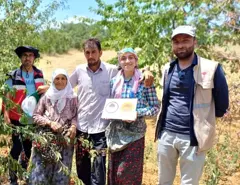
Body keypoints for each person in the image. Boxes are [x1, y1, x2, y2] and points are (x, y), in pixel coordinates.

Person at [69, 38, 154, 185]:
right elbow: (65, 87)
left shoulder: (112, 71)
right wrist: (48, 88)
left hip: (101, 130)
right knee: (82, 170)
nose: (90, 56)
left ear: (100, 53)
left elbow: (131, 68)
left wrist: (146, 71)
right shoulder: (79, 71)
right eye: (87, 52)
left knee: (99, 172)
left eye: (94, 52)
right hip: (82, 129)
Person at [155, 25, 229, 185]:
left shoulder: (212, 68)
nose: (180, 45)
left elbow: (222, 105)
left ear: (195, 42)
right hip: (166, 135)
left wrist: (203, 122)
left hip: (194, 139)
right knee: (163, 181)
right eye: (176, 41)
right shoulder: (168, 68)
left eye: (185, 40)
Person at [106, 48, 160, 185]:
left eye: (131, 57)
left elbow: (155, 108)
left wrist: (137, 113)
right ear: (119, 61)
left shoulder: (145, 81)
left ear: (136, 61)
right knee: (114, 175)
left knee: (126, 174)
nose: (127, 61)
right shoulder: (114, 81)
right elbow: (112, 106)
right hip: (116, 134)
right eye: (123, 58)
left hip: (135, 134)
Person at [2, 46, 48, 185]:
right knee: (16, 148)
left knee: (29, 148)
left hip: (33, 117)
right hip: (17, 117)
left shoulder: (39, 74)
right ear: (21, 58)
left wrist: (45, 88)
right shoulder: (13, 75)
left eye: (30, 55)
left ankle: (25, 173)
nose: (27, 58)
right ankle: (13, 178)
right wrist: (5, 113)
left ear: (34, 58)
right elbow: (7, 95)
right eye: (24, 55)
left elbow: (44, 92)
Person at [29, 68, 77, 185]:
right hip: (46, 139)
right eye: (57, 78)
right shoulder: (46, 96)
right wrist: (49, 123)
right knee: (41, 172)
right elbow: (36, 115)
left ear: (67, 81)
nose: (60, 81)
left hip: (64, 140)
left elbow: (76, 116)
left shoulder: (73, 97)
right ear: (53, 80)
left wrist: (73, 127)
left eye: (63, 78)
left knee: (61, 173)